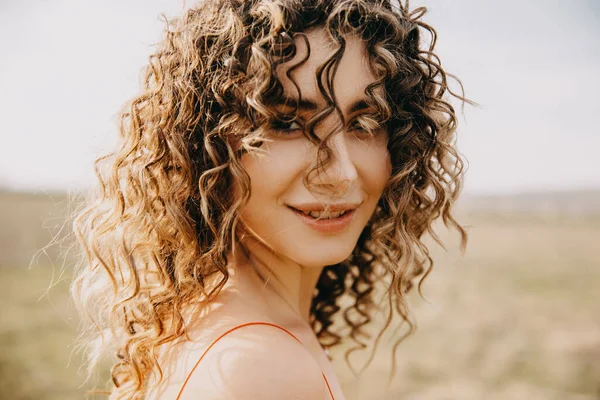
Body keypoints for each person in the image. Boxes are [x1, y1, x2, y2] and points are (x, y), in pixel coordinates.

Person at [71, 0, 470, 399]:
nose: (341, 173)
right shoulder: (265, 368)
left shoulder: (207, 316)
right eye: (287, 122)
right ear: (205, 144)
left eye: (364, 122)